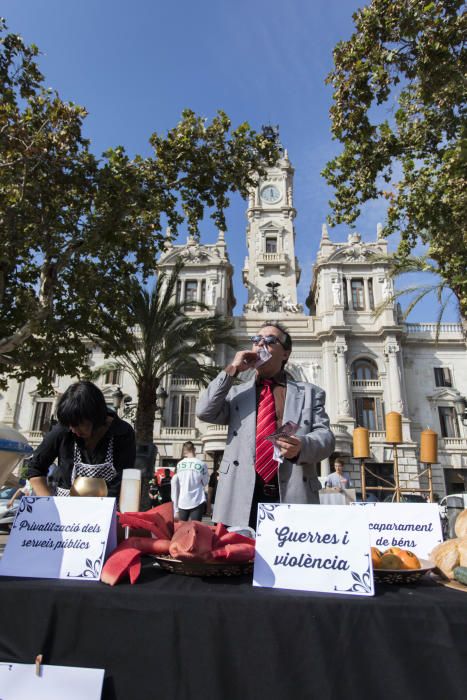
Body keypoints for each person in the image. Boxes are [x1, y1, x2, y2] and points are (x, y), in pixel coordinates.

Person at [196, 322, 335, 529]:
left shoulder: (310, 393)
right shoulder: (235, 394)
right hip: (240, 496)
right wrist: (232, 369)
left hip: (290, 494)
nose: (261, 344)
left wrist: (303, 446)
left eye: (270, 340)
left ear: (285, 354)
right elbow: (204, 411)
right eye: (256, 340)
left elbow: (326, 437)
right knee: (238, 558)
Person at [27, 380, 136, 498]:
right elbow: (36, 468)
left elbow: (124, 479)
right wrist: (48, 504)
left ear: (94, 416)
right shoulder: (63, 430)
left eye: (78, 424)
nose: (73, 430)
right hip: (65, 509)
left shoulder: (122, 433)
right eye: (70, 425)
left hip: (106, 509)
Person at [171, 441, 209, 521]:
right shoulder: (202, 464)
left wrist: (175, 509)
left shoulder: (179, 464)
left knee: (181, 530)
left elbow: (176, 484)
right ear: (194, 449)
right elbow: (205, 482)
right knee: (195, 529)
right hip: (197, 500)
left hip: (182, 501)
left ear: (184, 451)